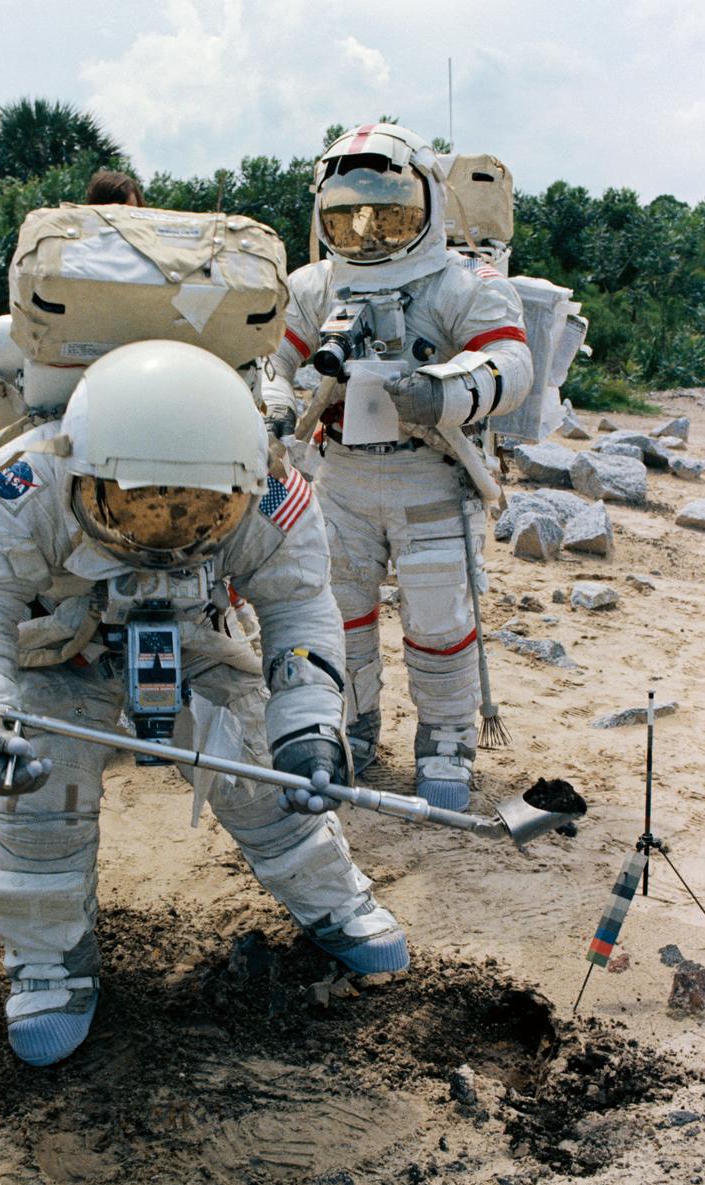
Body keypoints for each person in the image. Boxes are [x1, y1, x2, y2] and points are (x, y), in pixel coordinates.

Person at [0, 340, 408, 1068]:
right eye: (139, 507)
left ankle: (332, 903)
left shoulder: (268, 492)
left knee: (261, 773)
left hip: (195, 632)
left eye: (195, 513)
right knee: (40, 791)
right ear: (83, 472)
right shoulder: (23, 484)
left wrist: (309, 725)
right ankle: (50, 962)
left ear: (238, 485)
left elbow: (299, 611)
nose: (165, 530)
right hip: (59, 646)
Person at [263, 123, 533, 812]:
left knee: (438, 622)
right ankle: (347, 730)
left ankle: (445, 742)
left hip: (431, 475)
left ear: (428, 205)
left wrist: (443, 391)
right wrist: (269, 403)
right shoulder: (313, 287)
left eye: (389, 211)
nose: (371, 230)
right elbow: (272, 358)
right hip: (342, 478)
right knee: (336, 616)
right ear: (324, 215)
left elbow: (511, 363)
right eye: (350, 214)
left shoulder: (461, 282)